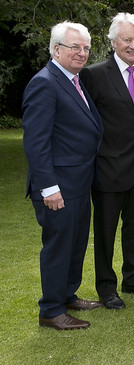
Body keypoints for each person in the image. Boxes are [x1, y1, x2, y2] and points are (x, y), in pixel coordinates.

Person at [22, 21, 103, 329]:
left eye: (85, 48)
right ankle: (51, 310)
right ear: (56, 49)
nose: (82, 53)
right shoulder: (45, 82)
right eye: (75, 47)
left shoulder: (74, 80)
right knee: (58, 246)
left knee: (75, 243)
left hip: (79, 183)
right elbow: (36, 142)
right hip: (58, 186)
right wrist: (48, 188)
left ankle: (68, 294)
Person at [79, 13, 134, 310]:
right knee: (105, 231)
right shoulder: (95, 74)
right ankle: (106, 287)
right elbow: (85, 122)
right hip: (108, 169)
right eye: (127, 40)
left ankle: (133, 279)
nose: (133, 45)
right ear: (114, 42)